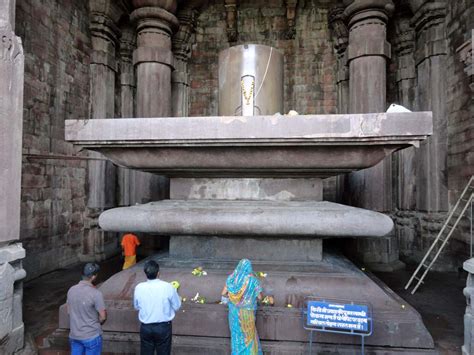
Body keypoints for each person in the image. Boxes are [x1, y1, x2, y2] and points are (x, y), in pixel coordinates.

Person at [134, 260, 181, 355]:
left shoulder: (139, 287)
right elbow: (177, 306)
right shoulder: (168, 287)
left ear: (145, 273)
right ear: (158, 273)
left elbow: (137, 306)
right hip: (163, 327)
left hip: (146, 327)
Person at [221, 259, 263, 355]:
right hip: (248, 314)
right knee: (248, 336)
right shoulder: (253, 281)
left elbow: (223, 293)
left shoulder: (231, 279)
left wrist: (234, 299)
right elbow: (260, 297)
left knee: (236, 335)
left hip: (234, 313)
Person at [67, 263, 107, 355]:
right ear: (93, 277)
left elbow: (69, 312)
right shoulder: (96, 293)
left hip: (75, 335)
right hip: (91, 336)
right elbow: (103, 317)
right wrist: (96, 322)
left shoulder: (71, 290)